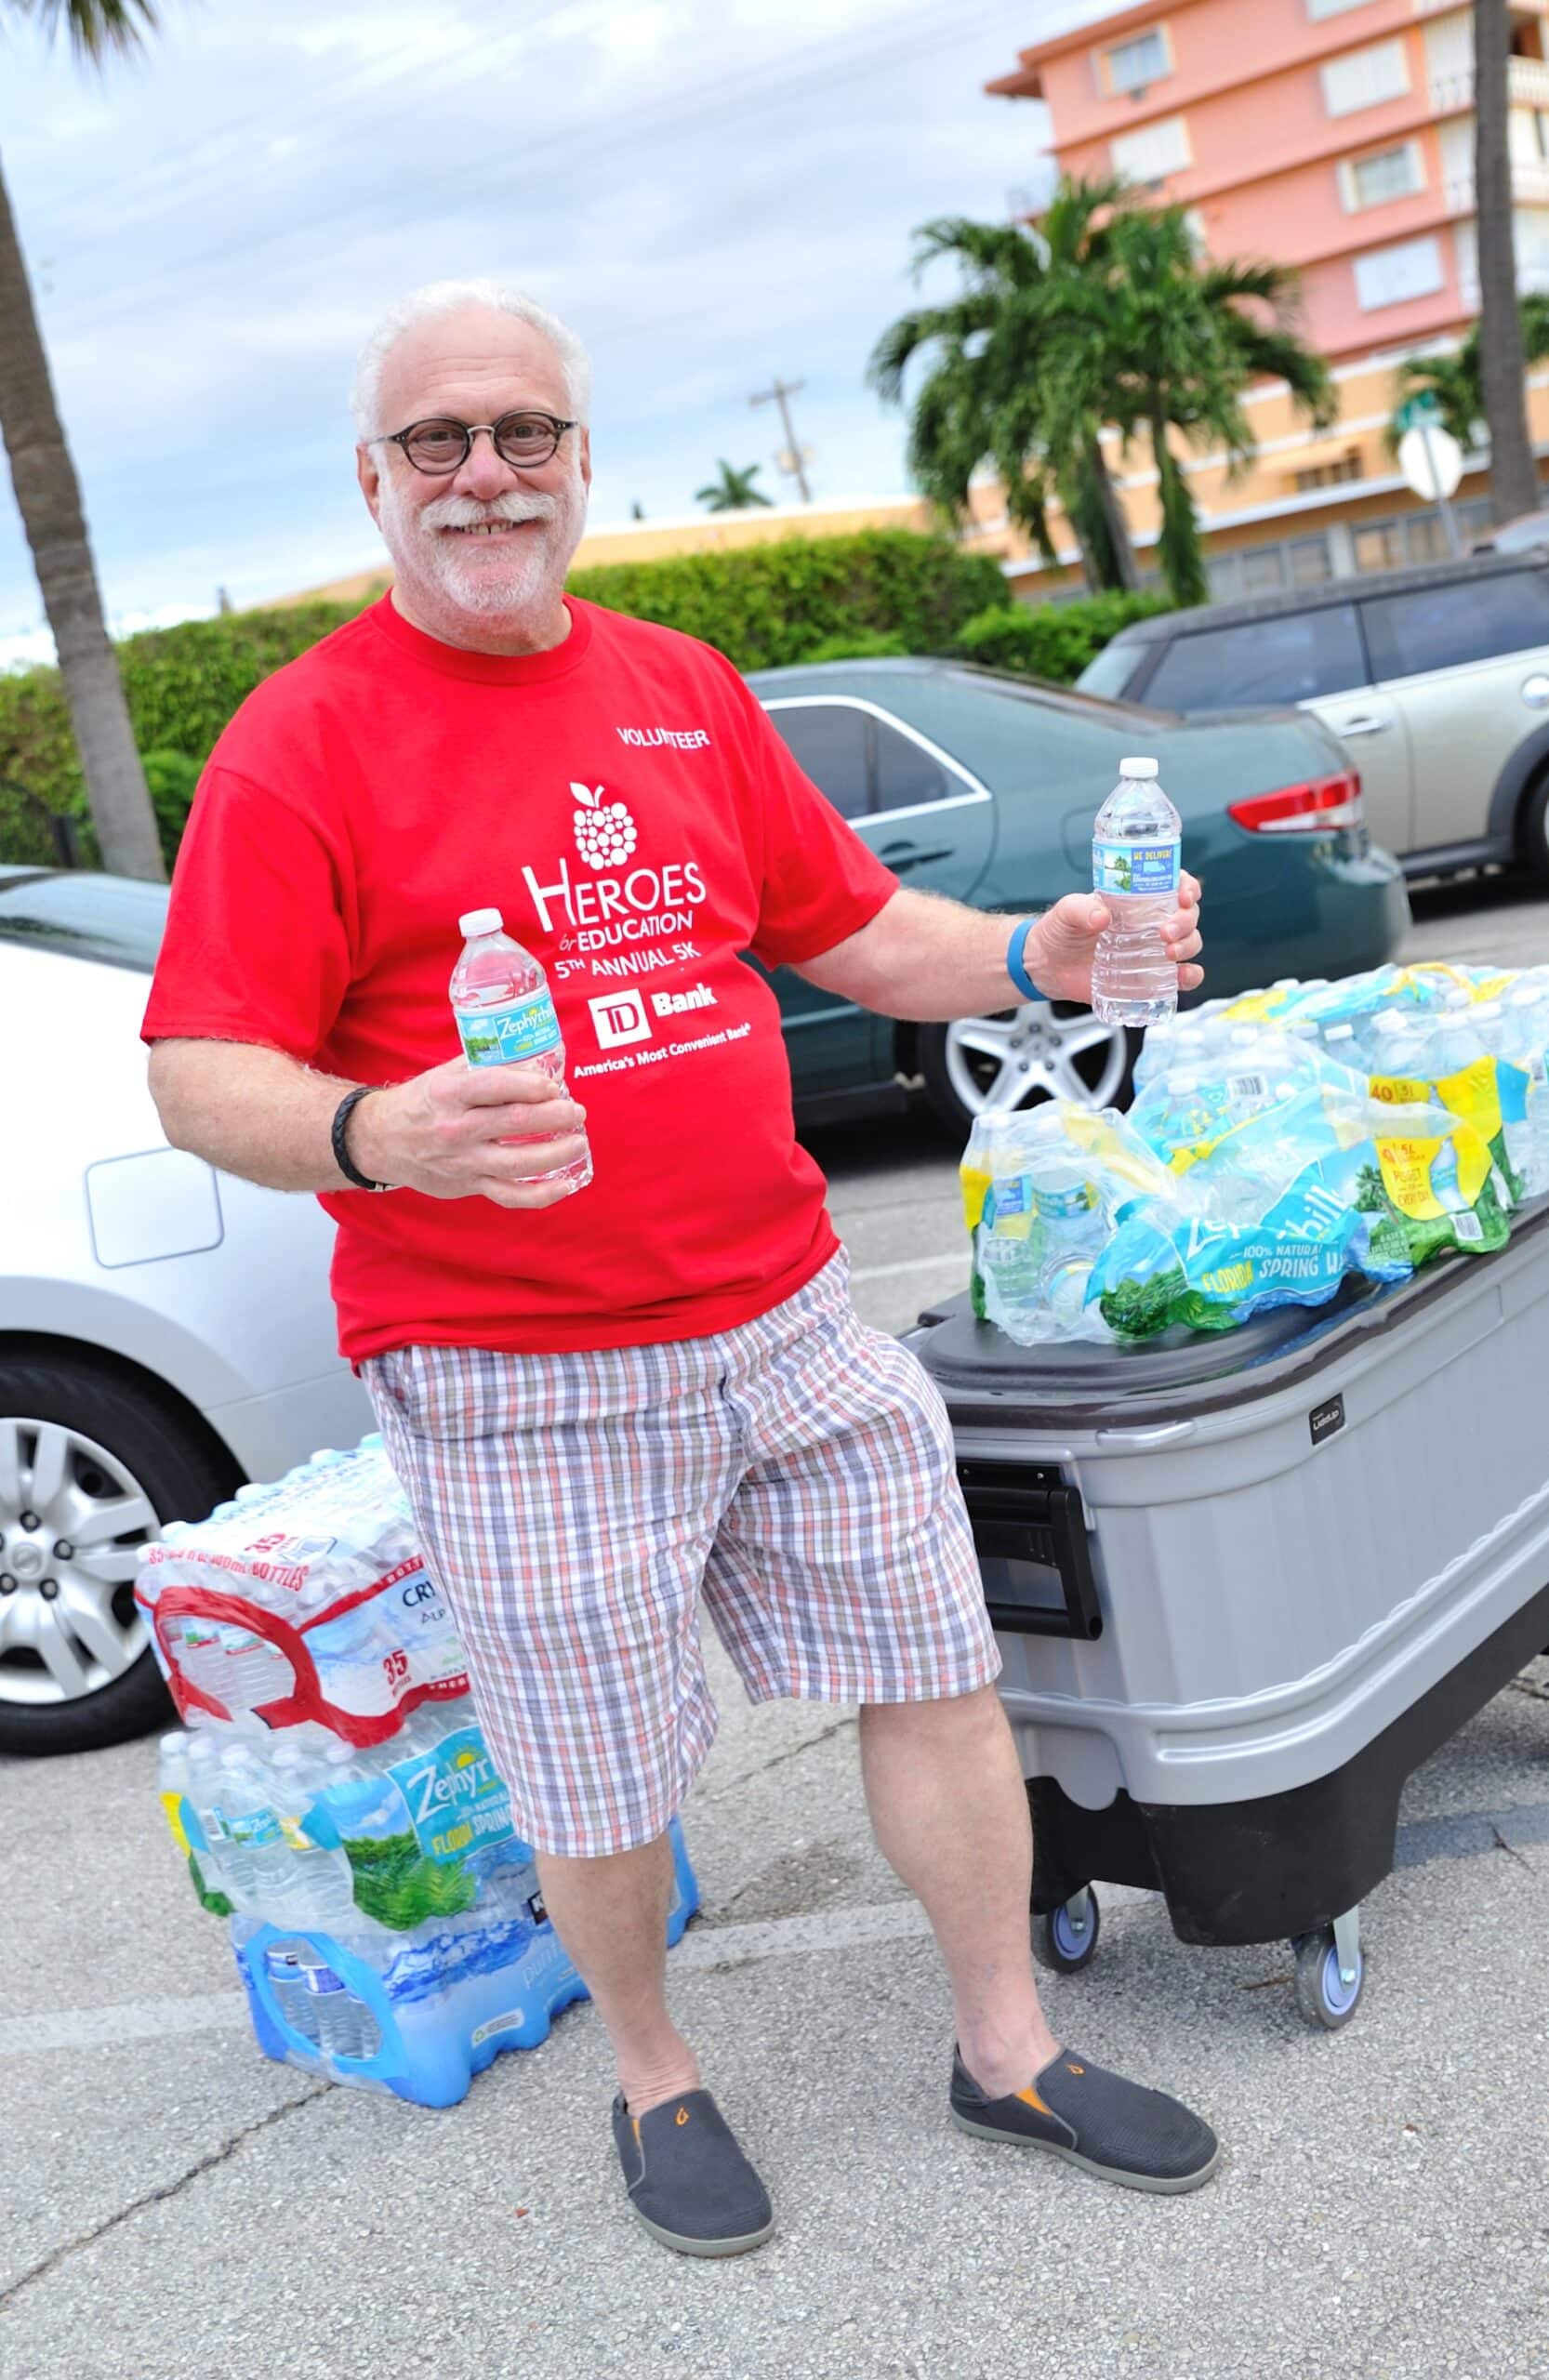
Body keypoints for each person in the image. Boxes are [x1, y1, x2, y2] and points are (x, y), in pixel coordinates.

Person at [144, 280, 1214, 2257]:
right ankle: (655, 2072)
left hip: (785, 1313)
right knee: (595, 1767)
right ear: (374, 481)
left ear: (576, 460)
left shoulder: (679, 685)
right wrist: (376, 1132)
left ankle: (1006, 2046)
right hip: (512, 1363)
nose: (487, 472)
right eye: (441, 441)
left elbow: (856, 929)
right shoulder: (299, 743)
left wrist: (1034, 957)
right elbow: (203, 1069)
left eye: (524, 432)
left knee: (938, 1674)